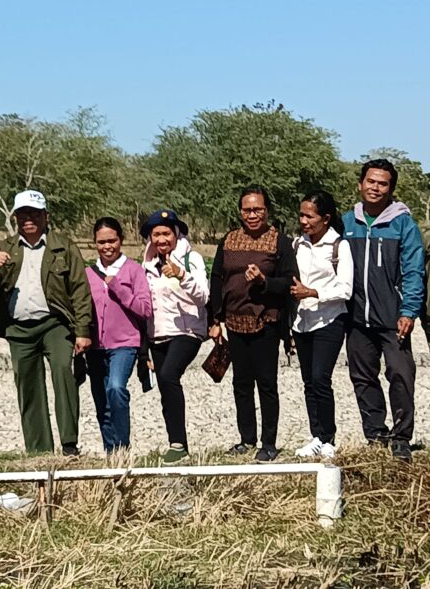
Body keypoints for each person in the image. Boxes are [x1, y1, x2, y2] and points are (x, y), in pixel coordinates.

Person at [0, 191, 91, 457]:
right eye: (23, 214)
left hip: (55, 324)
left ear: (45, 216)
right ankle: (39, 450)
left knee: (64, 372)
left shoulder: (64, 246)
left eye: (34, 213)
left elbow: (80, 290)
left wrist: (83, 331)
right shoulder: (5, 247)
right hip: (18, 328)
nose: (28, 219)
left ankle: (69, 444)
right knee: (28, 386)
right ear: (16, 217)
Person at [208, 186, 298, 463]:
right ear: (240, 212)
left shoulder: (279, 242)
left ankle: (268, 442)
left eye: (257, 209)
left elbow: (289, 282)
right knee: (241, 384)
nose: (252, 215)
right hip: (235, 323)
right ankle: (247, 439)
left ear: (267, 211)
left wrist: (264, 282)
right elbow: (217, 279)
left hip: (266, 323)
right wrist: (215, 319)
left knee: (267, 384)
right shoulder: (229, 240)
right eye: (247, 210)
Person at [342, 159, 424, 462]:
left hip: (393, 318)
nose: (375, 188)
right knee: (362, 376)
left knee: (401, 374)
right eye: (371, 181)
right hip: (356, 317)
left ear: (391, 189)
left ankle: (402, 437)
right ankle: (375, 433)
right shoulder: (347, 222)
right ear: (361, 184)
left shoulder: (403, 224)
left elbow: (414, 270)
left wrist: (409, 311)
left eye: (383, 183)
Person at [141, 210, 209, 465]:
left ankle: (179, 442)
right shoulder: (146, 265)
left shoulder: (193, 259)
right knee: (164, 387)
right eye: (156, 234)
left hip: (187, 331)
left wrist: (181, 275)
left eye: (166, 233)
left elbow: (203, 296)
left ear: (176, 233)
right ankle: (176, 444)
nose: (161, 239)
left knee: (170, 375)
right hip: (157, 333)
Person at [290, 190, 353, 459]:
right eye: (302, 215)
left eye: (310, 216)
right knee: (308, 381)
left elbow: (345, 288)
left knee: (320, 378)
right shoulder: (296, 245)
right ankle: (315, 435)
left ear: (325, 218)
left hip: (329, 319)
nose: (304, 220)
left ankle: (328, 437)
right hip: (301, 321)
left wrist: (313, 292)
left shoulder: (340, 246)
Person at [84, 217, 152, 454]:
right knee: (101, 400)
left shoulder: (133, 270)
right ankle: (110, 451)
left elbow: (145, 309)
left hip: (125, 344)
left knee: (115, 388)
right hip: (95, 346)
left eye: (112, 240)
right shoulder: (87, 273)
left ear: (121, 240)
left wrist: (118, 288)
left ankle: (122, 446)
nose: (107, 246)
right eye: (101, 242)